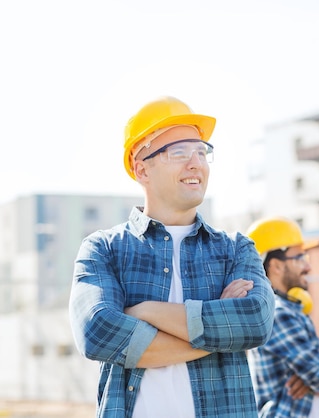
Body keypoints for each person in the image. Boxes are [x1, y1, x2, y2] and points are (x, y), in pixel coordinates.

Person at [68, 96, 275, 418]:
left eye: (202, 152)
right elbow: (98, 333)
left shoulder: (237, 248)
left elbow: (255, 322)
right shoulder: (105, 248)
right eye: (179, 152)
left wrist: (144, 312)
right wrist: (219, 330)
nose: (196, 163)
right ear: (141, 168)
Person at [245, 217, 319, 418]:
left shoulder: (291, 310)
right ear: (276, 266)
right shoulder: (278, 314)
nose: (308, 267)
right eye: (300, 258)